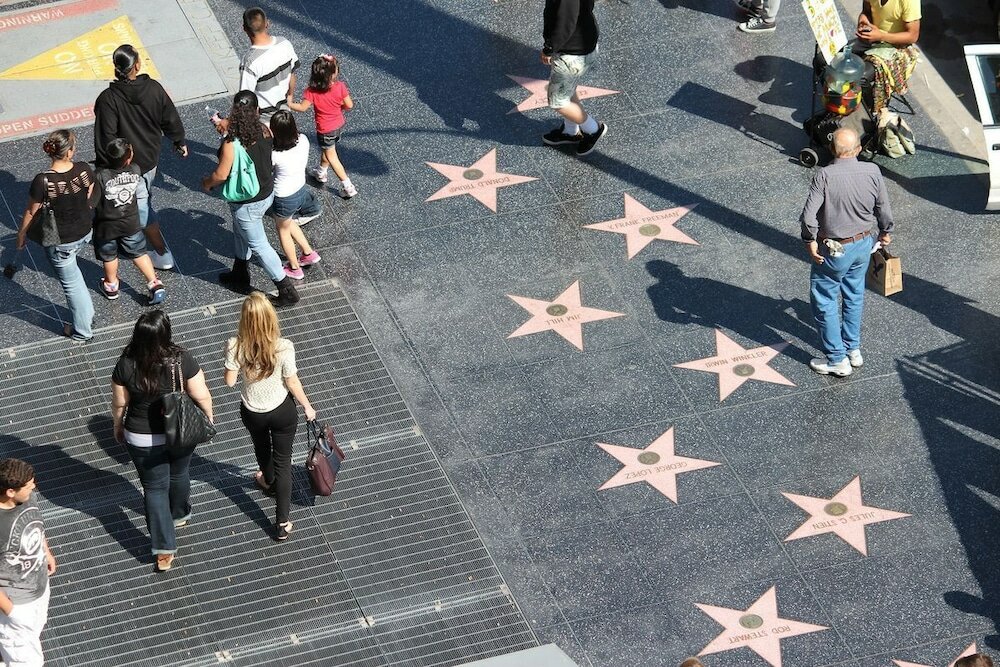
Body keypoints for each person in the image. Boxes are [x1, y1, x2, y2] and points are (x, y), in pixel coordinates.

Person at [111, 311, 214, 572]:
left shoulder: (126, 363)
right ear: (166, 333)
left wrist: (118, 426)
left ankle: (164, 551)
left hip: (141, 436)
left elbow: (120, 403)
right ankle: (178, 514)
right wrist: (208, 419)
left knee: (154, 488)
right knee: (179, 473)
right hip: (180, 430)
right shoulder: (181, 358)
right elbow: (201, 394)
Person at [800, 127, 894, 377]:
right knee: (854, 294)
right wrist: (885, 232)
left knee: (824, 299)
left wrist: (810, 240)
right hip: (863, 244)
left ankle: (837, 359)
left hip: (834, 249)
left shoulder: (824, 175)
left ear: (832, 149)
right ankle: (853, 349)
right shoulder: (872, 171)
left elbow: (809, 216)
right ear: (859, 149)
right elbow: (883, 207)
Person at [224, 293, 317, 541]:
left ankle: (268, 482)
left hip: (253, 411)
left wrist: (237, 363)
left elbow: (230, 382)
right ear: (270, 317)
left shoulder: (235, 345)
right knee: (283, 462)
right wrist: (307, 407)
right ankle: (282, 523)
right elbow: (292, 382)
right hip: (282, 410)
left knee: (261, 447)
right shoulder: (283, 346)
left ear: (244, 319)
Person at [201, 91, 301, 307]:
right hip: (266, 192)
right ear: (257, 110)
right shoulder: (265, 129)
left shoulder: (231, 143)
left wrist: (207, 183)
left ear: (234, 112)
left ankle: (287, 290)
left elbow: (221, 175)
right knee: (240, 230)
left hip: (247, 202)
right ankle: (240, 273)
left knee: (259, 245)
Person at [94, 44, 188, 271]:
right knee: (142, 198)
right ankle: (146, 243)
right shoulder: (154, 89)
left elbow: (106, 136)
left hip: (123, 164)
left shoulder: (108, 99)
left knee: (142, 206)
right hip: (149, 159)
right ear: (137, 65)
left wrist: (106, 167)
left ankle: (161, 251)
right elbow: (170, 117)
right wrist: (178, 140)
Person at [16, 130, 96, 342]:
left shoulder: (43, 181)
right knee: (75, 277)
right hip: (84, 231)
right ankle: (87, 316)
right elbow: (89, 196)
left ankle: (83, 331)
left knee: (71, 284)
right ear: (69, 152)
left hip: (61, 241)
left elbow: (31, 211)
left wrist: (22, 234)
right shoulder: (84, 169)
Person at [92, 138, 166, 305]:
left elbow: (93, 201)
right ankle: (154, 283)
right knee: (139, 252)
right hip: (131, 222)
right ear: (128, 159)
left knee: (109, 256)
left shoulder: (100, 175)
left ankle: (111, 286)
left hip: (107, 226)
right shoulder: (135, 169)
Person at [0, 459, 56, 667]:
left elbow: (34, 523)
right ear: (10, 492)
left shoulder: (27, 497)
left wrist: (46, 551)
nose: (34, 488)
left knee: (33, 632)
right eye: (29, 486)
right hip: (16, 603)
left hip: (38, 590)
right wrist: (11, 612)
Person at [540, 0, 607, 156]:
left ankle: (593, 129)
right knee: (568, 90)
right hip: (584, 44)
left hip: (570, 54)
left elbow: (566, 21)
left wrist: (549, 48)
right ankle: (570, 131)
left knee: (558, 102)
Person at [287, 54, 357, 198]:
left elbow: (302, 107)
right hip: (338, 125)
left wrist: (289, 104)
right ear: (334, 73)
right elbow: (349, 105)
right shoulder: (340, 86)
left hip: (325, 129)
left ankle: (347, 186)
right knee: (328, 149)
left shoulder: (311, 92)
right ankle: (321, 172)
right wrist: (339, 107)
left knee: (332, 156)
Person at [268, 111, 323, 280]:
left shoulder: (274, 154)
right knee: (288, 221)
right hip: (300, 189)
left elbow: (266, 170)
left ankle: (294, 267)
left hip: (283, 196)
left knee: (283, 229)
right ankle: (308, 253)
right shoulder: (304, 140)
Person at [856, 0, 921, 111]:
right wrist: (863, 20)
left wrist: (881, 36)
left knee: (861, 76)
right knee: (836, 56)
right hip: (874, 39)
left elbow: (912, 36)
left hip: (898, 48)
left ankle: (872, 110)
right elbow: (866, 11)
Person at [239, 7, 299, 124]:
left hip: (264, 120)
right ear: (267, 23)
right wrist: (290, 97)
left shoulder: (250, 62)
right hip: (285, 115)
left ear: (244, 29)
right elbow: (292, 75)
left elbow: (245, 99)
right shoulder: (284, 43)